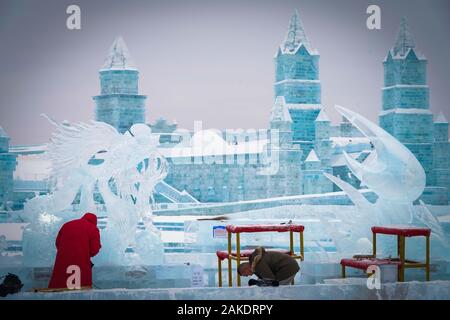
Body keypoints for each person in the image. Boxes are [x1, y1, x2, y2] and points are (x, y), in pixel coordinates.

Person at [48, 212, 101, 289]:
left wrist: (65, 251)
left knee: (61, 280)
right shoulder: (93, 228)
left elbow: (57, 243)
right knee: (80, 284)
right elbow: (95, 249)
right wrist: (86, 253)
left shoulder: (66, 225)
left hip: (63, 258)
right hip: (81, 260)